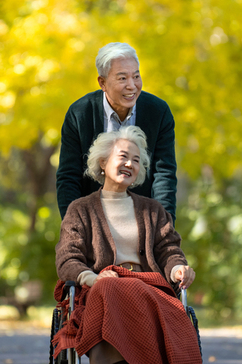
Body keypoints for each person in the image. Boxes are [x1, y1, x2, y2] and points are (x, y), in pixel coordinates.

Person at [53, 126, 200, 364]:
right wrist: (92, 278)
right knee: (108, 287)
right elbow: (67, 258)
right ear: (103, 161)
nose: (130, 164)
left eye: (136, 161)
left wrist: (177, 269)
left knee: (112, 288)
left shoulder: (153, 210)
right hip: (101, 289)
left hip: (148, 287)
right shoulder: (80, 209)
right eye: (123, 157)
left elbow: (168, 250)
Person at [56, 42, 177, 222]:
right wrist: (75, 228)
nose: (132, 86)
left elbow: (164, 174)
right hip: (93, 219)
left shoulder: (158, 112)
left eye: (136, 76)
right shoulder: (80, 113)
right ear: (102, 83)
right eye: (122, 78)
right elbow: (69, 178)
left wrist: (162, 228)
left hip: (142, 218)